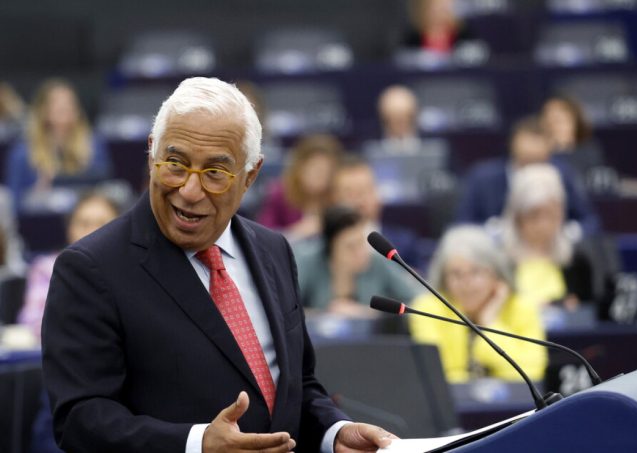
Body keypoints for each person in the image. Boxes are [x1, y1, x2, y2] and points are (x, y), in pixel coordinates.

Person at [41, 77, 395, 453]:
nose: (190, 191)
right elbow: (81, 420)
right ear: (151, 153)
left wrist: (334, 432)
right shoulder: (91, 269)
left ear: (250, 175)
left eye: (214, 173)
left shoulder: (274, 250)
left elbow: (297, 387)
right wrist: (196, 444)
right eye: (175, 164)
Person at [410, 225, 547, 382]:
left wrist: (490, 322)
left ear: (496, 274)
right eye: (456, 274)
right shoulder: (428, 310)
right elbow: (436, 376)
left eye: (476, 272)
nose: (466, 283)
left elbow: (531, 374)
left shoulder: (522, 307)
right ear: (444, 280)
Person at [456, 115, 600, 236]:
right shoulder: (483, 177)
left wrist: (566, 233)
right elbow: (462, 225)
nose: (531, 171)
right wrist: (492, 231)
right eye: (526, 162)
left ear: (549, 152)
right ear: (512, 146)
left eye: (537, 163)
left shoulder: (562, 174)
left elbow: (590, 222)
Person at [18, 192, 121, 339]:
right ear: (70, 229)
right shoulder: (45, 268)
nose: (92, 231)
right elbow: (33, 321)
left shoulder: (129, 269)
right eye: (84, 224)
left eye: (102, 224)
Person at [4, 78, 111, 211]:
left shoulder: (94, 145)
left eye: (69, 103)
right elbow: (14, 204)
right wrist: (36, 195)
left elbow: (104, 189)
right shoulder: (22, 153)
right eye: (57, 103)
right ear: (43, 110)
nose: (64, 108)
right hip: (42, 218)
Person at [498, 164, 595, 310]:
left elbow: (588, 312)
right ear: (517, 217)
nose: (543, 225)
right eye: (534, 216)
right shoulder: (500, 262)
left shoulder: (577, 260)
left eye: (550, 215)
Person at [296, 205, 416, 317]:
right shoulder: (309, 262)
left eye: (361, 243)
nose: (360, 253)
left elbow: (417, 302)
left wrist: (364, 313)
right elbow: (289, 310)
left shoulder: (377, 261)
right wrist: (325, 315)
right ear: (330, 247)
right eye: (351, 247)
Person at [330, 154, 421, 268]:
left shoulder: (405, 243)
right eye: (349, 193)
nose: (358, 200)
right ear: (335, 199)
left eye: (363, 191)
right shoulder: (320, 246)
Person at [257, 134, 342, 241]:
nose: (320, 177)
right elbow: (262, 236)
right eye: (316, 169)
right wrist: (297, 232)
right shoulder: (280, 194)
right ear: (300, 167)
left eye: (326, 172)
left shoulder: (336, 197)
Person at [540, 95, 605, 179]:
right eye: (549, 122)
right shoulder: (538, 154)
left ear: (575, 123)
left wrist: (563, 148)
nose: (555, 128)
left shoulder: (589, 151)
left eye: (559, 121)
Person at [403, 0, 474, 53]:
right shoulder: (412, 40)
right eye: (435, 6)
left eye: (444, 7)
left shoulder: (465, 38)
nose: (440, 11)